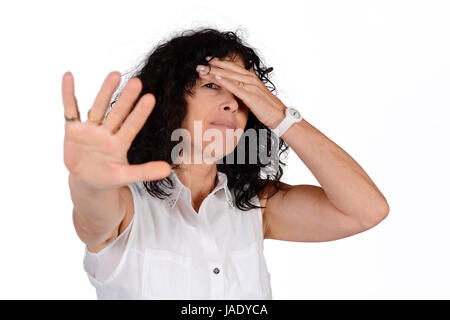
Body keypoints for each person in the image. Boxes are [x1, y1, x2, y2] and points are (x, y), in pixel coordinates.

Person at [62, 27, 389, 300]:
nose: (233, 103)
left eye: (243, 91)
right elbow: (93, 216)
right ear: (170, 99)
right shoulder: (126, 203)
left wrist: (281, 117)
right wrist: (87, 181)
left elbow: (366, 211)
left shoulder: (256, 205)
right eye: (213, 85)